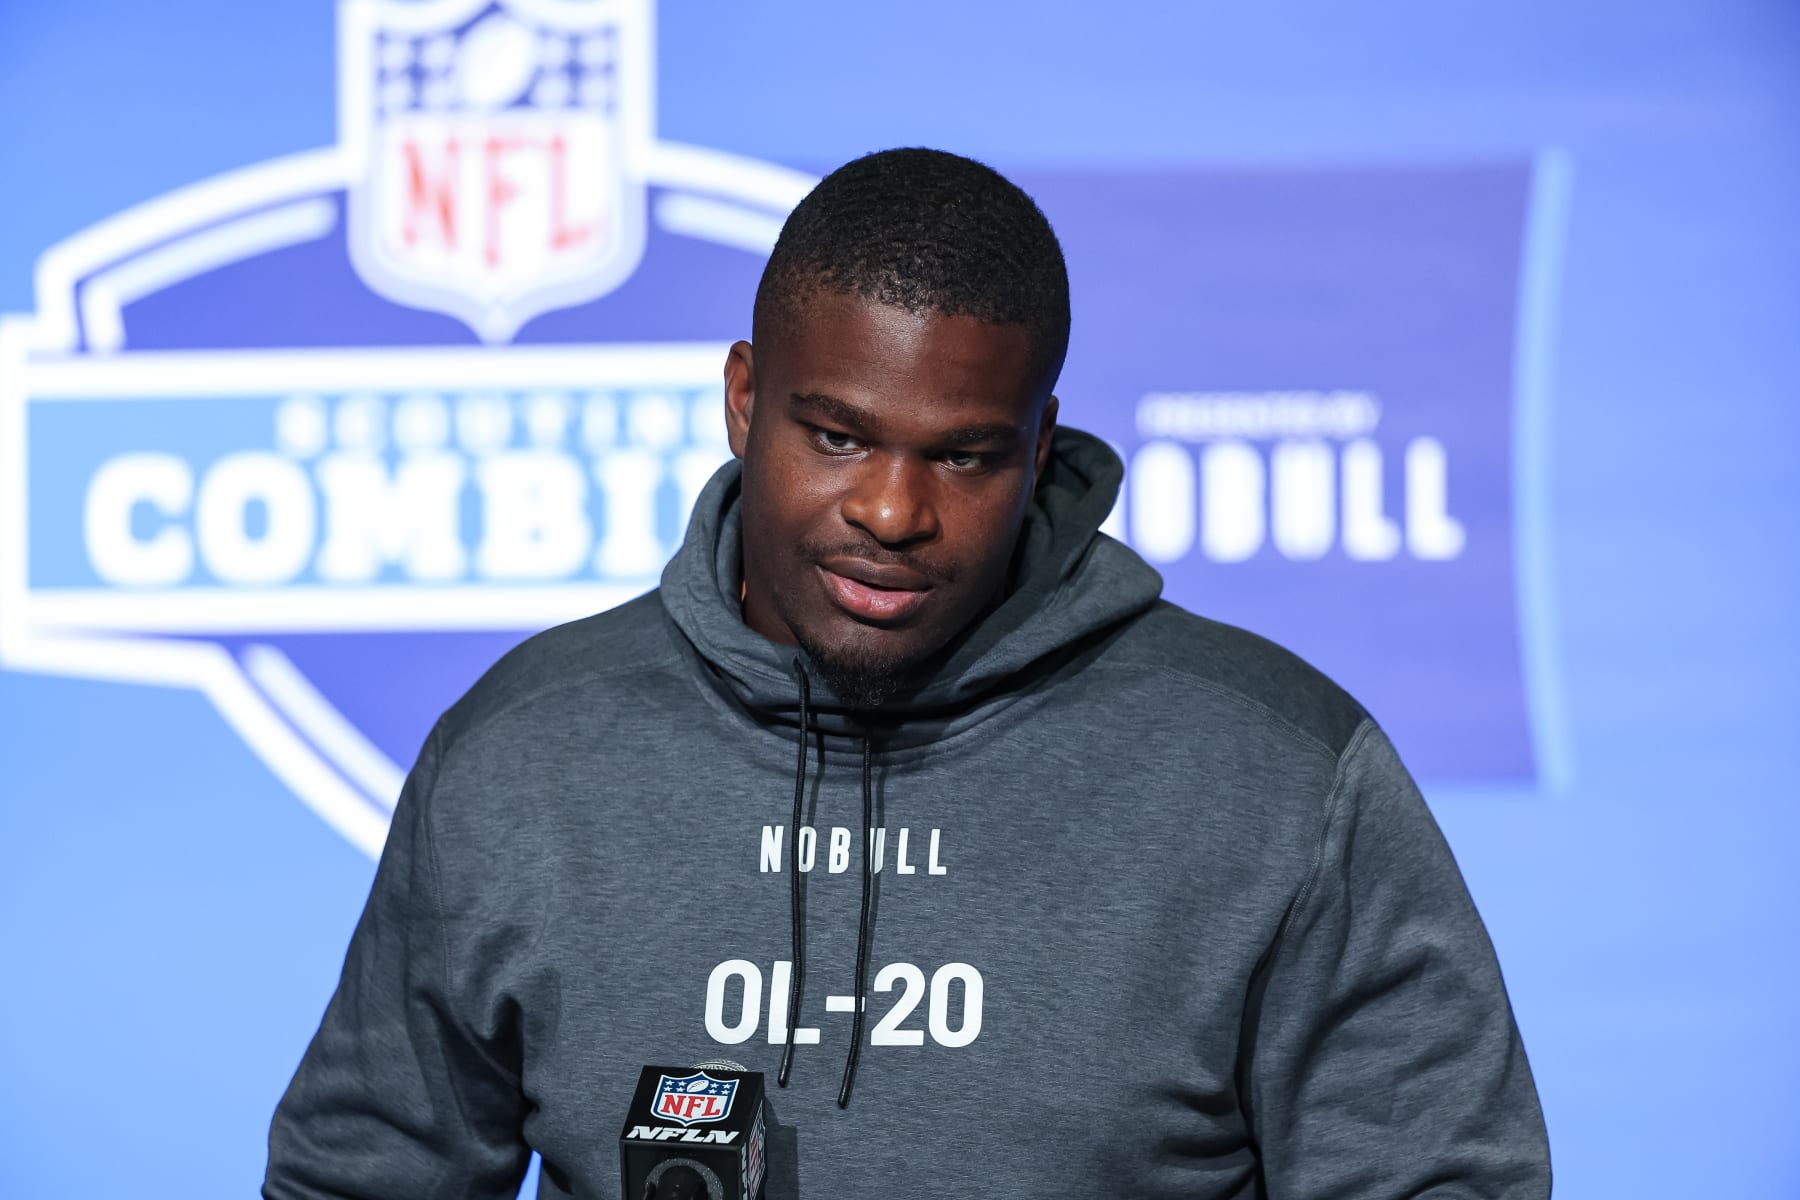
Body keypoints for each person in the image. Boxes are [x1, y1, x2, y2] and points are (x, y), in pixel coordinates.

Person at [264, 147, 1550, 1199]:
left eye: (966, 457)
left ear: (1042, 449)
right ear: (742, 398)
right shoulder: (526, 757)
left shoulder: (1276, 777)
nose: (890, 510)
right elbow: (359, 1178)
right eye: (836, 435)